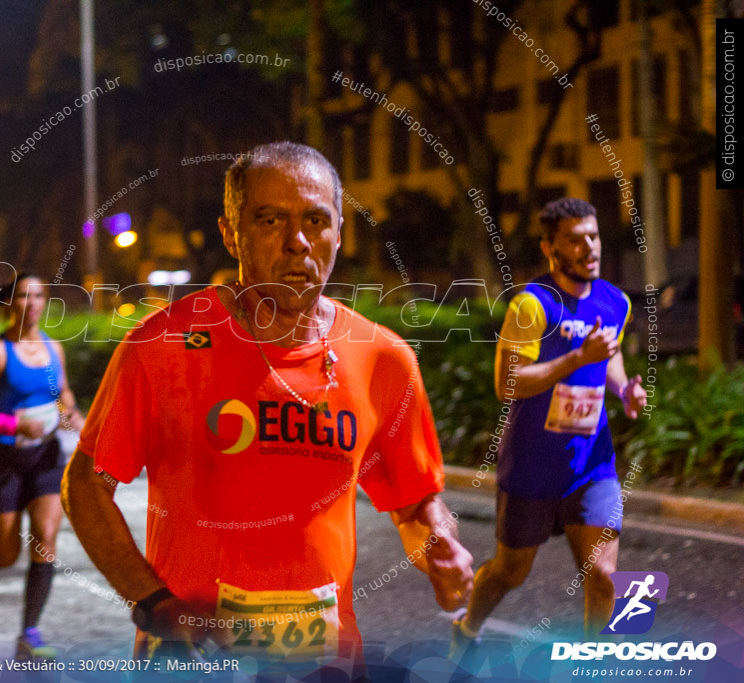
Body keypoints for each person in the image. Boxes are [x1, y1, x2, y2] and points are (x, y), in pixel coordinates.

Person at [62, 141, 474, 680]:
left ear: (340, 233)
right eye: (270, 219)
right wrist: (154, 603)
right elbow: (86, 487)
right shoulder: (164, 345)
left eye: (315, 220)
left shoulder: (383, 359)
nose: (297, 241)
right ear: (231, 233)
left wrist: (439, 542)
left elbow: (414, 498)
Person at [451, 197, 648, 657]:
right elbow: (508, 382)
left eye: (593, 237)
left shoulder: (614, 300)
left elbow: (611, 355)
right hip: (531, 468)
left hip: (591, 465)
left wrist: (624, 391)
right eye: (575, 240)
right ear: (549, 248)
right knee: (509, 572)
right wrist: (576, 358)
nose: (589, 248)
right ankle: (467, 629)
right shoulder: (532, 305)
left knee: (603, 576)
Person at [0, 273, 84, 661]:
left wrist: (71, 414)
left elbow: (62, 394)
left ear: (46, 302)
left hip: (45, 456)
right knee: (9, 552)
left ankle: (29, 631)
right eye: (23, 297)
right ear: (11, 304)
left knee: (46, 537)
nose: (31, 304)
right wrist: (11, 424)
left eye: (38, 296)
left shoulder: (54, 349)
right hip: (2, 461)